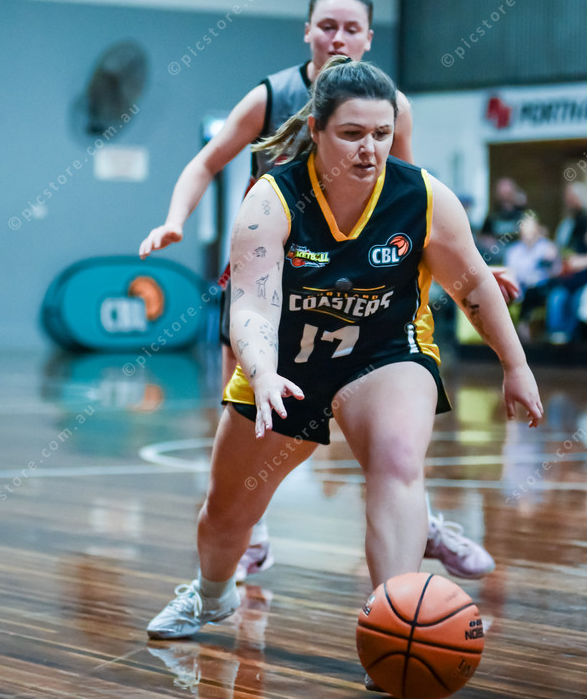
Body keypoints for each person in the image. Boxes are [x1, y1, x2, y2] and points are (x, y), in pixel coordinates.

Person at [145, 59, 543, 691]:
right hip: (285, 366)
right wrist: (263, 372)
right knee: (226, 514)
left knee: (396, 459)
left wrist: (515, 365)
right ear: (316, 130)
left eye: (381, 134)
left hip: (385, 354)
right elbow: (251, 307)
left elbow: (473, 285)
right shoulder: (272, 199)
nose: (370, 149)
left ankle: (398, 627)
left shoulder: (424, 197)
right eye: (352, 133)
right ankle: (212, 594)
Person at [139, 0, 511, 582]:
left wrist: (467, 267)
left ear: (368, 38)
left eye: (351, 28)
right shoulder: (270, 97)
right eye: (328, 26)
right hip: (274, 274)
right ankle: (248, 532)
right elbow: (208, 161)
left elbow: (413, 203)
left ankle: (420, 527)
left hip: (364, 285)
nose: (338, 38)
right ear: (307, 31)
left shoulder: (389, 105)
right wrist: (174, 219)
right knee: (251, 408)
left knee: (393, 446)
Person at [504, 213, 561, 341]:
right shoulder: (513, 251)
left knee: (537, 291)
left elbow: (555, 270)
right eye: (525, 229)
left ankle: (523, 326)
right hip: (520, 288)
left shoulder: (547, 247)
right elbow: (510, 273)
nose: (528, 233)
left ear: (537, 230)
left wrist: (550, 258)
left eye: (531, 229)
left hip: (542, 288)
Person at [545, 182, 587, 343]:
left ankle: (575, 341)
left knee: (578, 300)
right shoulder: (567, 225)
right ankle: (558, 339)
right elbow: (560, 251)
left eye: (572, 197)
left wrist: (582, 261)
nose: (568, 201)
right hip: (568, 277)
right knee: (557, 297)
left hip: (583, 279)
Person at [479, 177, 528, 263]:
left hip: (519, 251)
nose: (505, 197)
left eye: (508, 194)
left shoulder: (522, 214)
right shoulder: (493, 216)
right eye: (502, 194)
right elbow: (483, 236)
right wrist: (489, 242)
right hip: (497, 251)